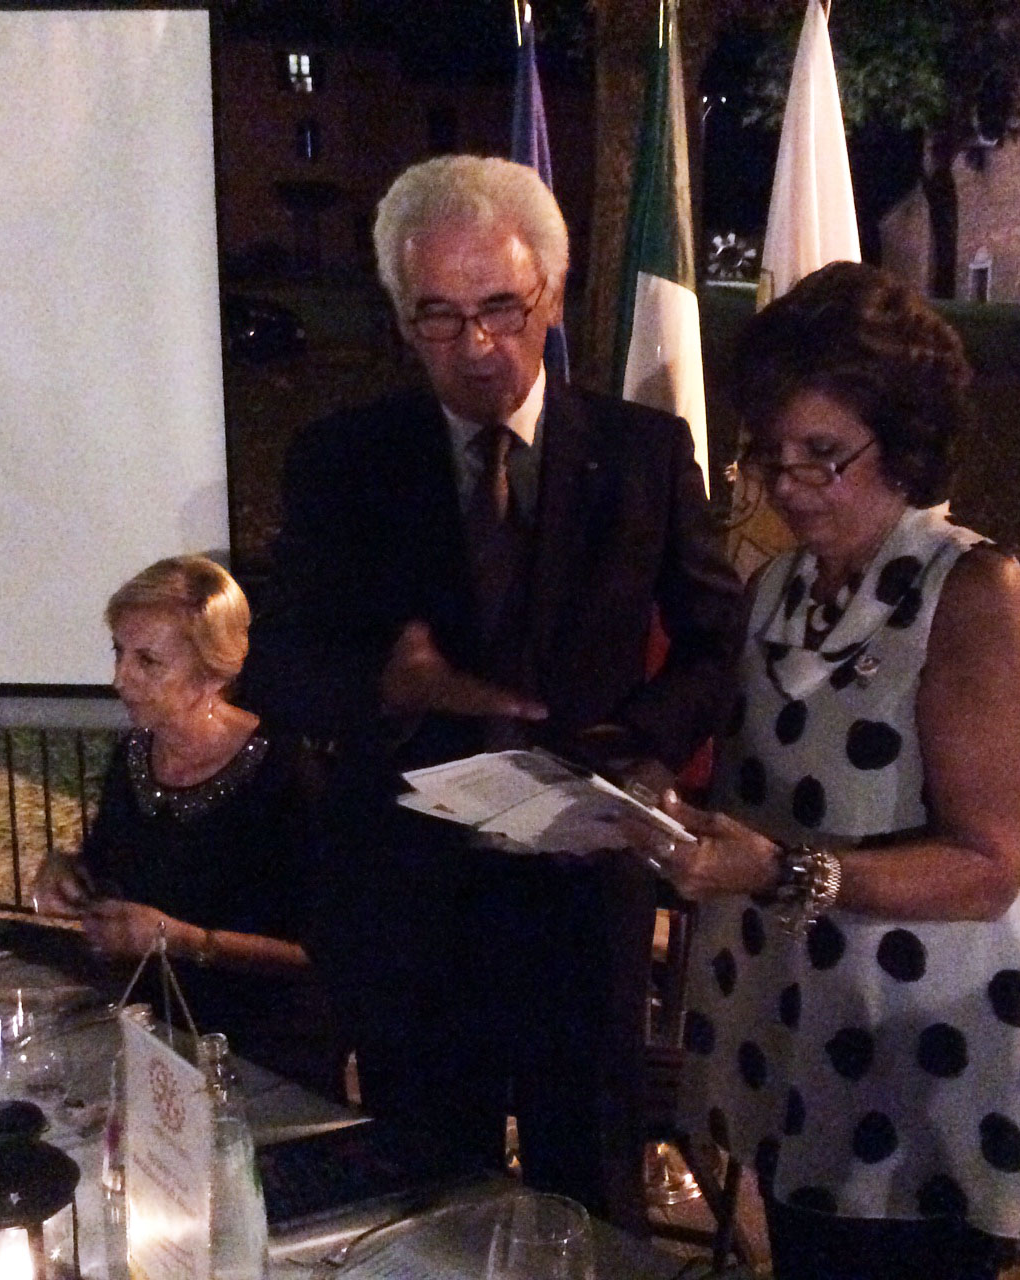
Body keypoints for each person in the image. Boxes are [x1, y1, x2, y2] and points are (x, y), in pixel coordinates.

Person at [241, 154, 743, 1227]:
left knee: (589, 1196)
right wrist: (387, 682)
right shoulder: (341, 460)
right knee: (433, 1198)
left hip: (583, 893)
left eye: (501, 309)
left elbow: (719, 643)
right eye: (440, 315)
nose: (476, 346)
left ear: (551, 294)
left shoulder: (644, 454)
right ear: (400, 315)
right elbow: (276, 663)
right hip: (409, 900)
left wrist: (640, 746)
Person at [632, 263, 1020, 1278]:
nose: (787, 485)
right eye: (770, 454)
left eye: (823, 455)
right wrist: (663, 810)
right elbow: (770, 792)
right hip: (793, 1037)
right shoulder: (779, 585)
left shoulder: (970, 590)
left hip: (918, 1058)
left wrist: (780, 870)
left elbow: (986, 866)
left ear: (903, 443)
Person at [33, 556, 335, 1092]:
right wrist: (66, 872)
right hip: (154, 1038)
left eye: (148, 661)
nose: (120, 679)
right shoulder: (134, 756)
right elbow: (112, 868)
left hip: (263, 1055)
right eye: (119, 653)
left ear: (214, 671)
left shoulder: (284, 772)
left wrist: (183, 940)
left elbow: (325, 953)